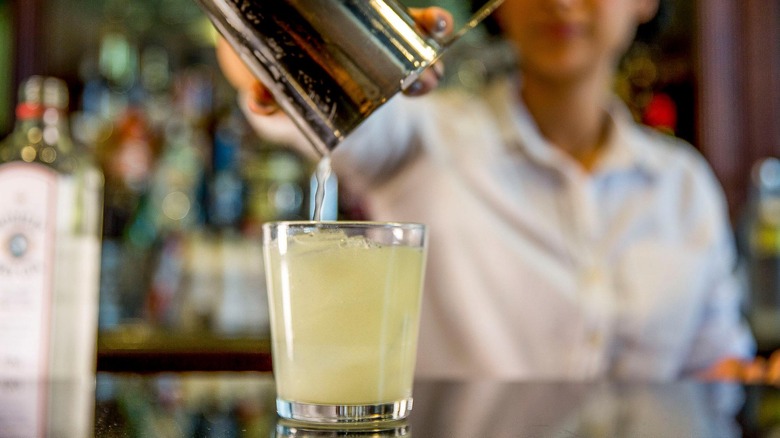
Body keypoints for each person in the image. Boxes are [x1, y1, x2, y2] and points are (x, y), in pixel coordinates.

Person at [217, 1, 771, 381]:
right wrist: (314, 44)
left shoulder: (684, 186)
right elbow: (296, 99)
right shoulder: (421, 137)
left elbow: (712, 371)